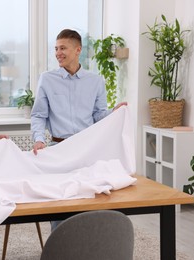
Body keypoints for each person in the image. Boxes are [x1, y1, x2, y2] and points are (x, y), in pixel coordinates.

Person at [30, 29, 127, 230]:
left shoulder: (95, 81)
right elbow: (39, 115)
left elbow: (99, 115)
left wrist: (114, 112)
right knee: (60, 202)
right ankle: (59, 248)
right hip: (60, 149)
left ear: (78, 50)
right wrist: (39, 139)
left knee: (89, 201)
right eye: (56, 49)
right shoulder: (47, 79)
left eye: (63, 48)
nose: (58, 53)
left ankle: (87, 246)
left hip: (87, 150)